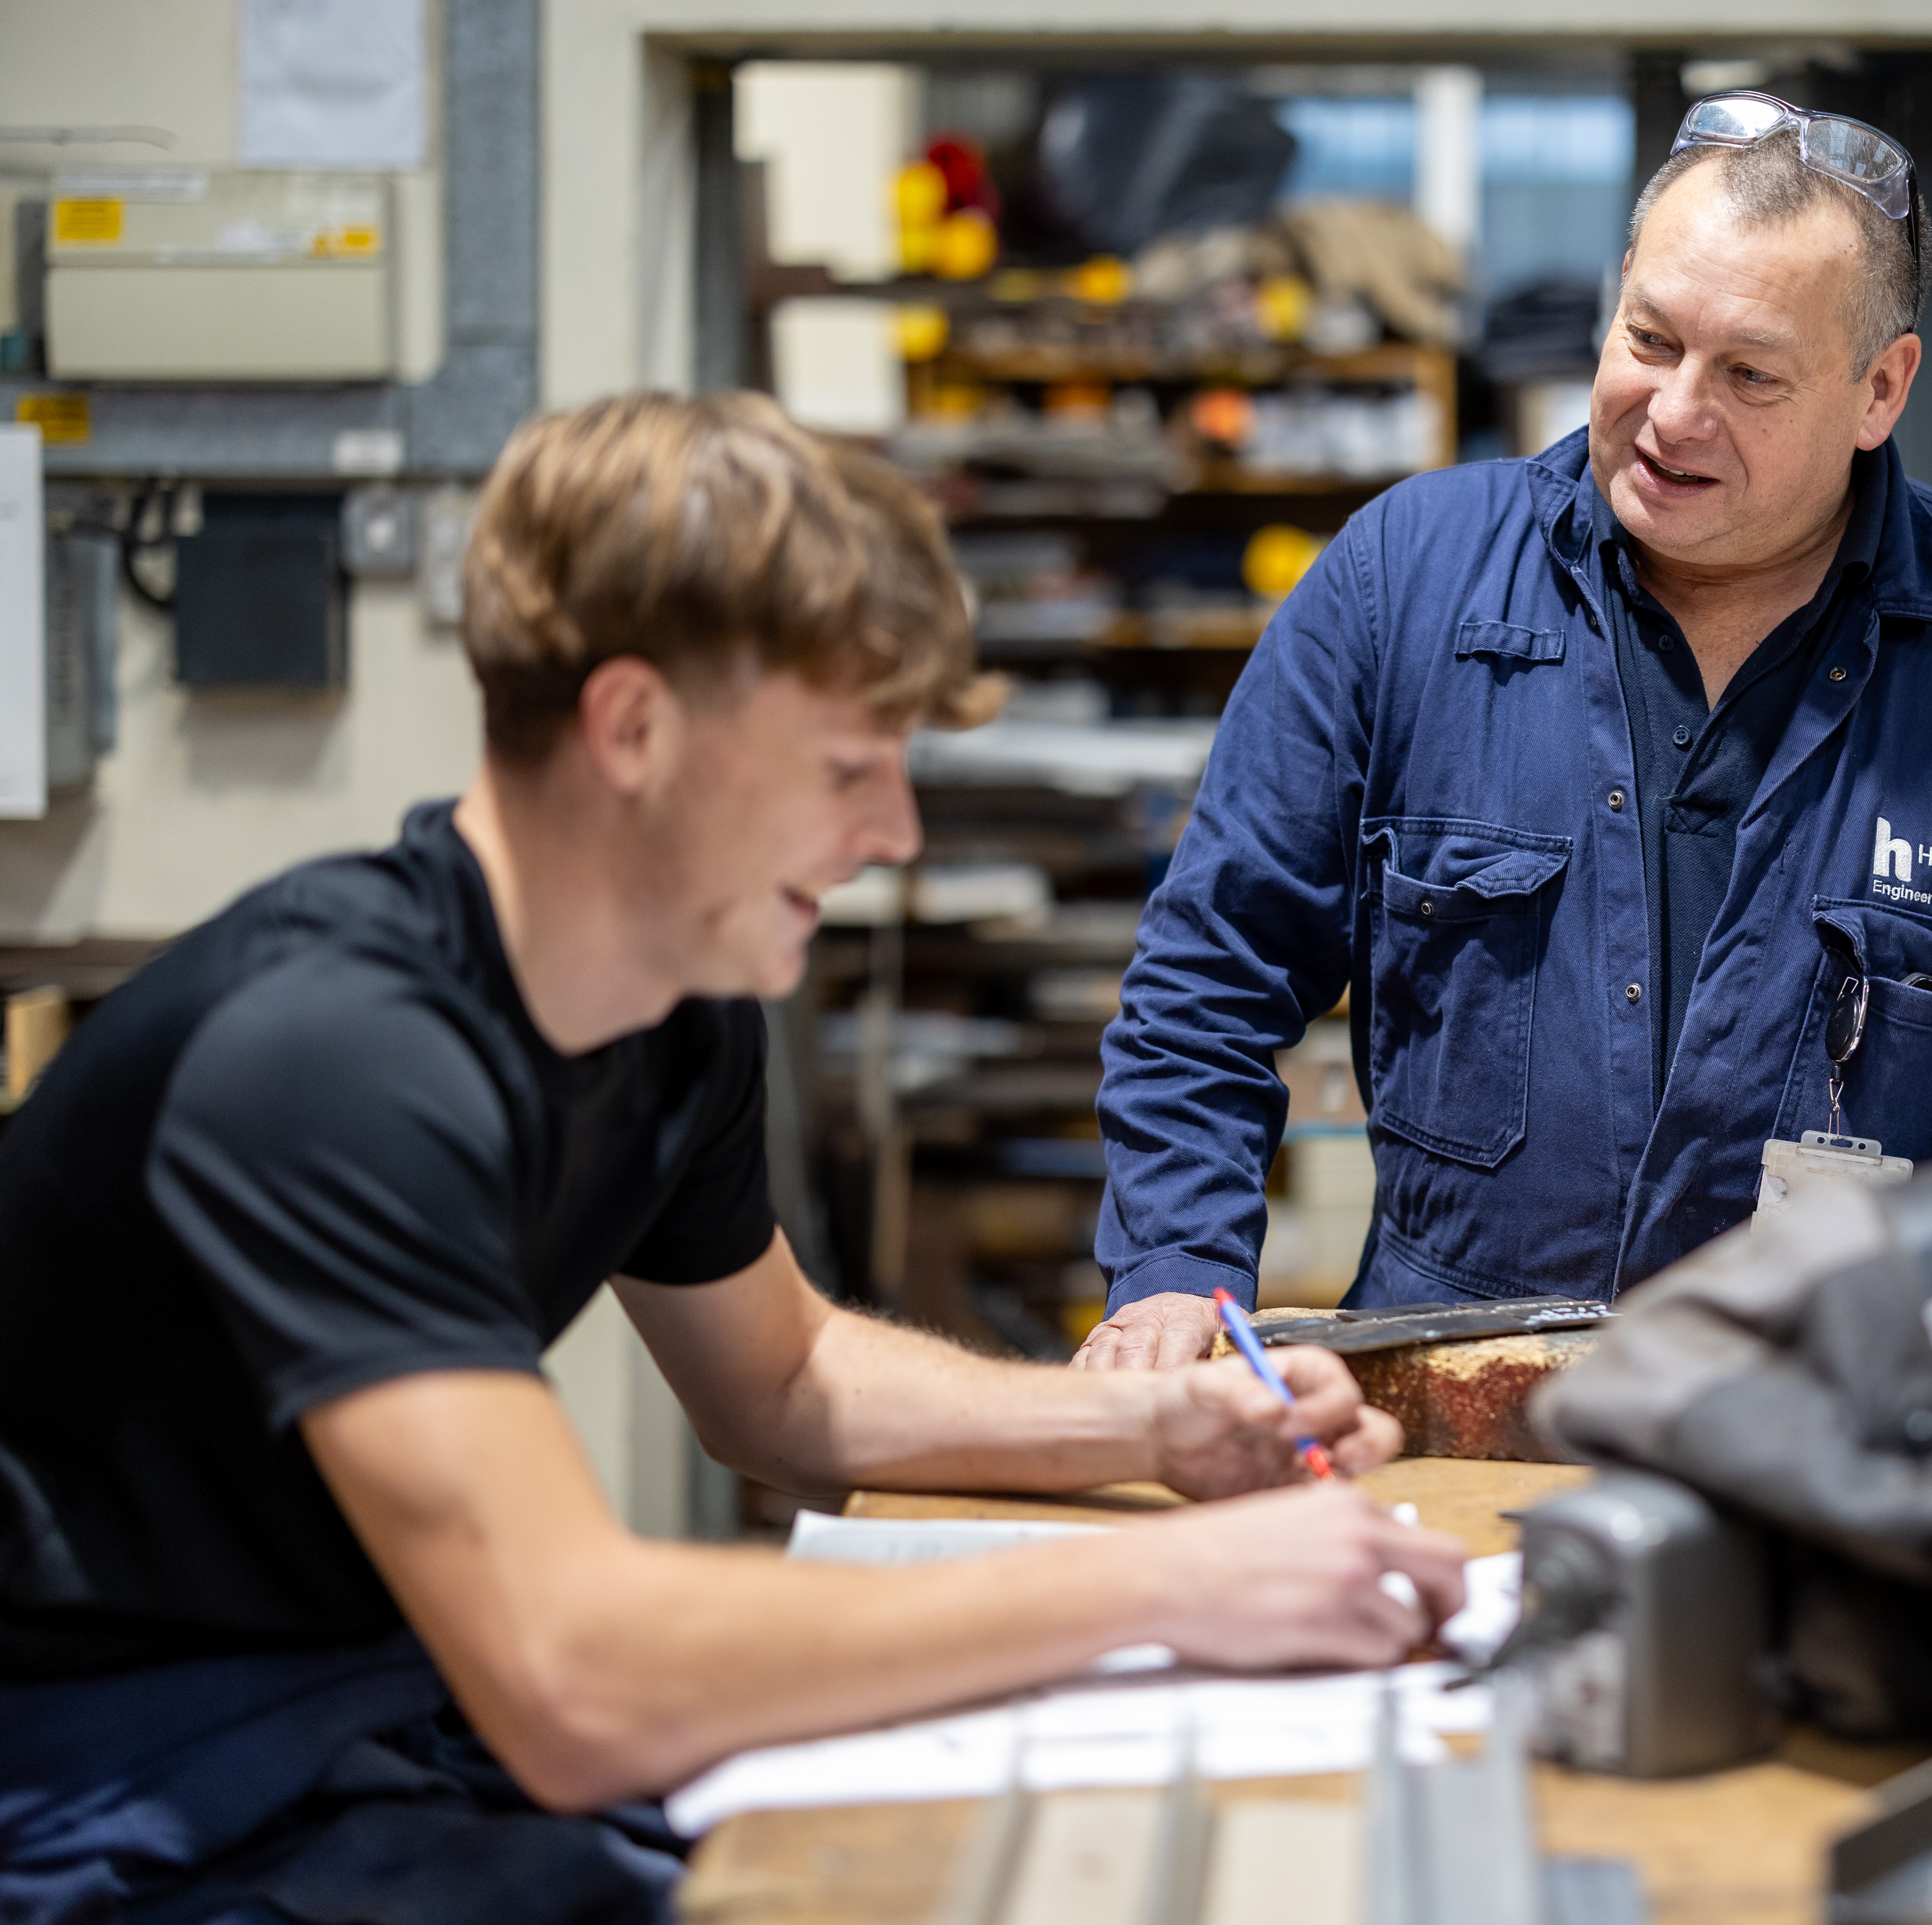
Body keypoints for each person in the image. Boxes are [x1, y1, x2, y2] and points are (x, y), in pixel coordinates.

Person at [0, 393, 1465, 1924]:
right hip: (103, 1789)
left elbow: (782, 1383)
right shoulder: (331, 1059)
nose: (895, 833)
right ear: (632, 729)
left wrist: (1164, 1433)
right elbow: (570, 1673)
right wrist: (1174, 1588)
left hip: (360, 1720)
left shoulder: (669, 1020)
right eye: (849, 768)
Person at [1082, 93, 1932, 1369]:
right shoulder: (1406, 582)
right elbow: (1208, 974)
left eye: (1749, 374)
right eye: (1649, 339)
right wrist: (1175, 1272)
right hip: (1457, 1395)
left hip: (1852, 1411)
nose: (1676, 412)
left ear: (1878, 391)